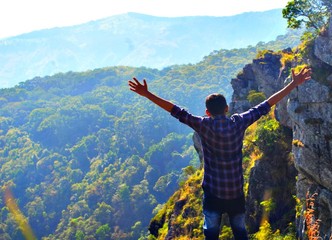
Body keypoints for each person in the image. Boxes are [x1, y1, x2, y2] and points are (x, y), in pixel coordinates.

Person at [128, 67, 312, 240]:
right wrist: (293, 84)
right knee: (240, 232)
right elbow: (266, 105)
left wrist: (147, 94)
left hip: (213, 194)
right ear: (226, 109)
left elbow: (176, 110)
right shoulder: (238, 123)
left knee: (211, 231)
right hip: (235, 193)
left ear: (207, 112)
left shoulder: (203, 124)